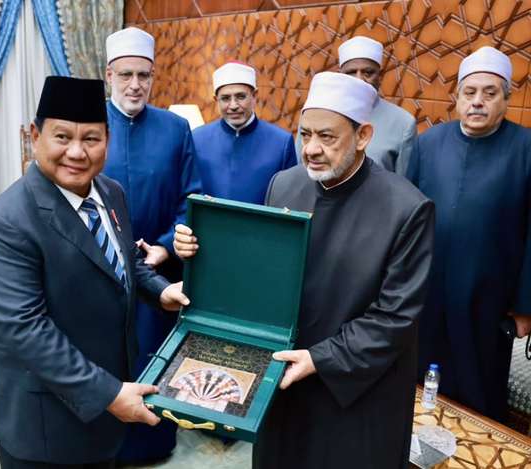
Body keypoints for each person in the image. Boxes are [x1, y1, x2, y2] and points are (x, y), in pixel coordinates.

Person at [175, 72, 435, 469]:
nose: (311, 149)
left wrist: (320, 359)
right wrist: (200, 253)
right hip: (284, 377)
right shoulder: (283, 184)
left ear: (363, 135)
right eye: (304, 134)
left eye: (327, 137)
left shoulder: (407, 209)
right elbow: (261, 273)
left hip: (357, 386)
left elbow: (395, 318)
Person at [0, 76, 189, 469]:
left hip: (106, 401)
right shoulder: (5, 224)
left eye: (91, 139)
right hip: (44, 422)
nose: (76, 152)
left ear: (108, 139)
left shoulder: (110, 192)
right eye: (62, 137)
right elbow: (25, 331)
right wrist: (108, 394)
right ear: (35, 136)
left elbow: (122, 259)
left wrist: (159, 291)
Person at [407, 46, 531, 422]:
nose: (478, 101)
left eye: (490, 93)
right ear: (456, 97)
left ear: (507, 98)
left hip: (488, 295)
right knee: (417, 375)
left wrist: (525, 306)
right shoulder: (428, 142)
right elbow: (407, 217)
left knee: (478, 382)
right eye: (469, 92)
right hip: (426, 289)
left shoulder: (526, 148)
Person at [103, 27, 203, 463]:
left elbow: (191, 198)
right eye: (126, 75)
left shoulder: (176, 128)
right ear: (109, 75)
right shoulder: (89, 125)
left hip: (158, 271)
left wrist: (164, 247)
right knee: (103, 357)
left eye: (144, 75)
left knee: (151, 357)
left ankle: (153, 443)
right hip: (97, 265)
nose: (135, 85)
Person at [295, 36, 417, 176]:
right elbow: (301, 169)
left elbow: (402, 185)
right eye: (351, 72)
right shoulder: (315, 114)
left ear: (380, 76)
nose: (359, 79)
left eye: (368, 72)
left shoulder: (403, 123)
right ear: (340, 75)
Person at [192, 60, 296, 204]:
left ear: (255, 96)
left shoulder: (282, 142)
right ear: (216, 100)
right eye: (226, 98)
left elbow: (290, 202)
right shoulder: (196, 139)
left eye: (241, 96)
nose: (233, 105)